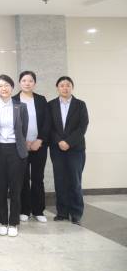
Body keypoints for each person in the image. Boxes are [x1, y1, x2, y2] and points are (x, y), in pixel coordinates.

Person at [0, 74, 28, 237]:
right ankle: (3, 221)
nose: (4, 88)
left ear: (12, 87)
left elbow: (23, 130)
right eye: (0, 86)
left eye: (6, 85)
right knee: (0, 188)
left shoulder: (21, 107)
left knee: (16, 188)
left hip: (16, 151)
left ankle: (14, 222)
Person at [48, 76, 89, 225]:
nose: (65, 88)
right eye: (62, 85)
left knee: (75, 181)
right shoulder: (51, 105)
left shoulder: (80, 104)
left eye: (68, 85)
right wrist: (59, 141)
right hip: (57, 149)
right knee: (60, 181)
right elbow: (49, 126)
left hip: (76, 149)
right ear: (57, 88)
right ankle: (62, 212)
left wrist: (69, 142)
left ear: (72, 87)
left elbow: (83, 126)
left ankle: (76, 213)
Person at [13, 71, 50, 223]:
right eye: (24, 80)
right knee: (22, 179)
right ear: (19, 83)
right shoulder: (13, 100)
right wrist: (23, 142)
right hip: (20, 146)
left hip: (39, 146)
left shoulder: (41, 100)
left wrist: (39, 140)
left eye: (30, 81)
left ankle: (38, 210)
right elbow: (12, 124)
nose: (27, 83)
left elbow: (47, 122)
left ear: (34, 83)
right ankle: (24, 210)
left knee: (37, 178)